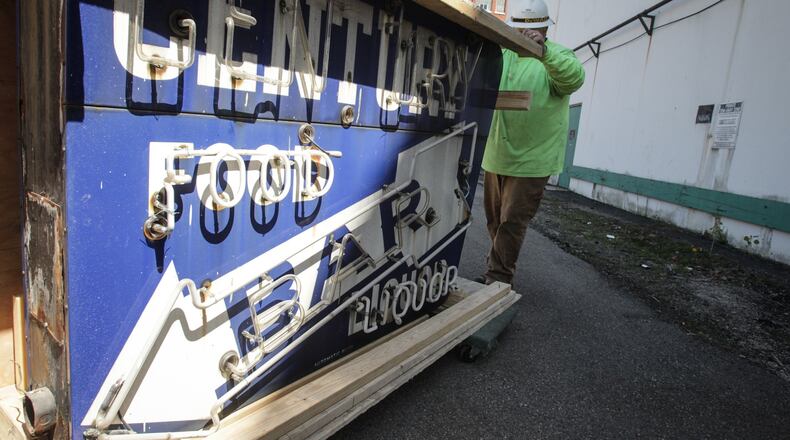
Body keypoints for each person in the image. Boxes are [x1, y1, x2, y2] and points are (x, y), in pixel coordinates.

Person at [478, 0, 585, 285]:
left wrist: (543, 52)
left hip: (533, 159)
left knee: (512, 221)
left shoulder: (558, 56)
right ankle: (496, 267)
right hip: (497, 153)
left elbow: (573, 79)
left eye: (532, 29)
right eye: (519, 29)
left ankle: (498, 278)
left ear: (544, 29)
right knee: (494, 220)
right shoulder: (504, 55)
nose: (525, 35)